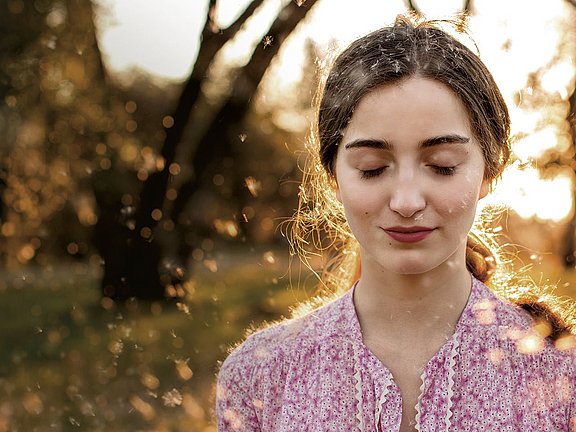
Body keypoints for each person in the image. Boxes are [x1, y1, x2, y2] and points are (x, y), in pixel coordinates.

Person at [216, 14, 576, 431]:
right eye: (371, 168)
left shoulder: (561, 375)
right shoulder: (259, 376)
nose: (406, 202)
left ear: (489, 172)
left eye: (442, 166)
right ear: (333, 176)